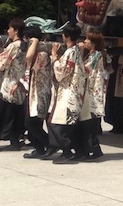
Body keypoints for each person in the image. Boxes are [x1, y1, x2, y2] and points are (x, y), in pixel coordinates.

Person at [46, 23, 87, 163]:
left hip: (68, 92)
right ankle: (78, 151)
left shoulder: (70, 52)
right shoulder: (75, 51)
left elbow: (62, 72)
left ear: (66, 36)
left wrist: (54, 57)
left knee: (55, 123)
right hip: (73, 92)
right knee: (69, 126)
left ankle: (67, 151)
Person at [0, 18, 26, 151]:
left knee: (8, 114)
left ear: (16, 30)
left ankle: (12, 139)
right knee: (17, 113)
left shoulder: (13, 46)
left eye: (10, 29)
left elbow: (2, 64)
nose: (8, 31)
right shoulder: (26, 45)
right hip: (21, 83)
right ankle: (16, 139)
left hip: (10, 82)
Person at [23, 27, 52, 159]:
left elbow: (29, 58)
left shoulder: (43, 54)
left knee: (31, 122)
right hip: (34, 90)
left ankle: (50, 143)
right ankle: (39, 148)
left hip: (41, 91)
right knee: (33, 122)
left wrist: (34, 42)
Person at [78, 30, 106, 161]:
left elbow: (86, 69)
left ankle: (95, 149)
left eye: (87, 40)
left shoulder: (97, 55)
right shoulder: (90, 55)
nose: (85, 42)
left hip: (94, 92)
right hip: (89, 91)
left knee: (92, 123)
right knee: (88, 123)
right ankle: (91, 148)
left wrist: (78, 53)